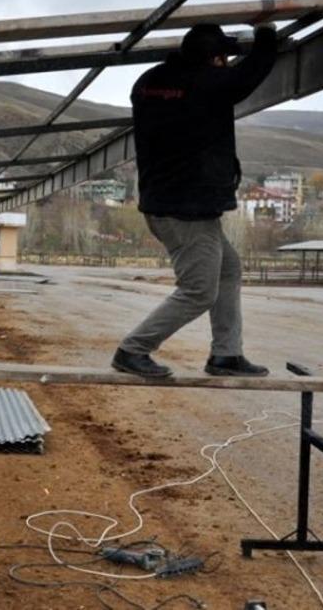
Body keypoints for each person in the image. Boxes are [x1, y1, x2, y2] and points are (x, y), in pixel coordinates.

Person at [111, 22, 279, 379]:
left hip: (168, 204)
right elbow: (247, 77)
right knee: (199, 290)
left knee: (228, 269)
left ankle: (227, 355)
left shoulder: (149, 82)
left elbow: (207, 87)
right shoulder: (205, 83)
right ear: (215, 58)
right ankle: (133, 349)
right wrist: (267, 38)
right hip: (186, 211)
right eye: (223, 58)